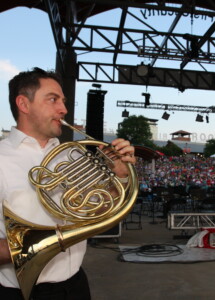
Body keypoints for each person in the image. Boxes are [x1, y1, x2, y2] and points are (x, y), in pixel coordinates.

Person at [0, 67, 136, 299]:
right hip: (19, 292)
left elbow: (100, 209)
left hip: (75, 285)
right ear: (24, 104)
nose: (64, 109)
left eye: (63, 101)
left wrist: (121, 176)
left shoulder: (73, 155)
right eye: (53, 99)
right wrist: (32, 248)